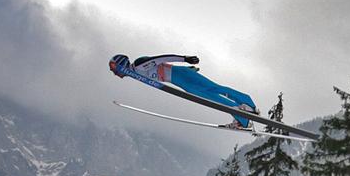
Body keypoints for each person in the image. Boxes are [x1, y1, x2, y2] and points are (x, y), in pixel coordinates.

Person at [109, 54, 259, 129]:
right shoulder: (136, 74)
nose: (114, 73)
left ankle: (246, 105)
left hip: (181, 75)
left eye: (114, 68)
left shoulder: (139, 64)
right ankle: (242, 116)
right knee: (210, 93)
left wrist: (185, 58)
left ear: (121, 64)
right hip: (179, 79)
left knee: (211, 92)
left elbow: (163, 58)